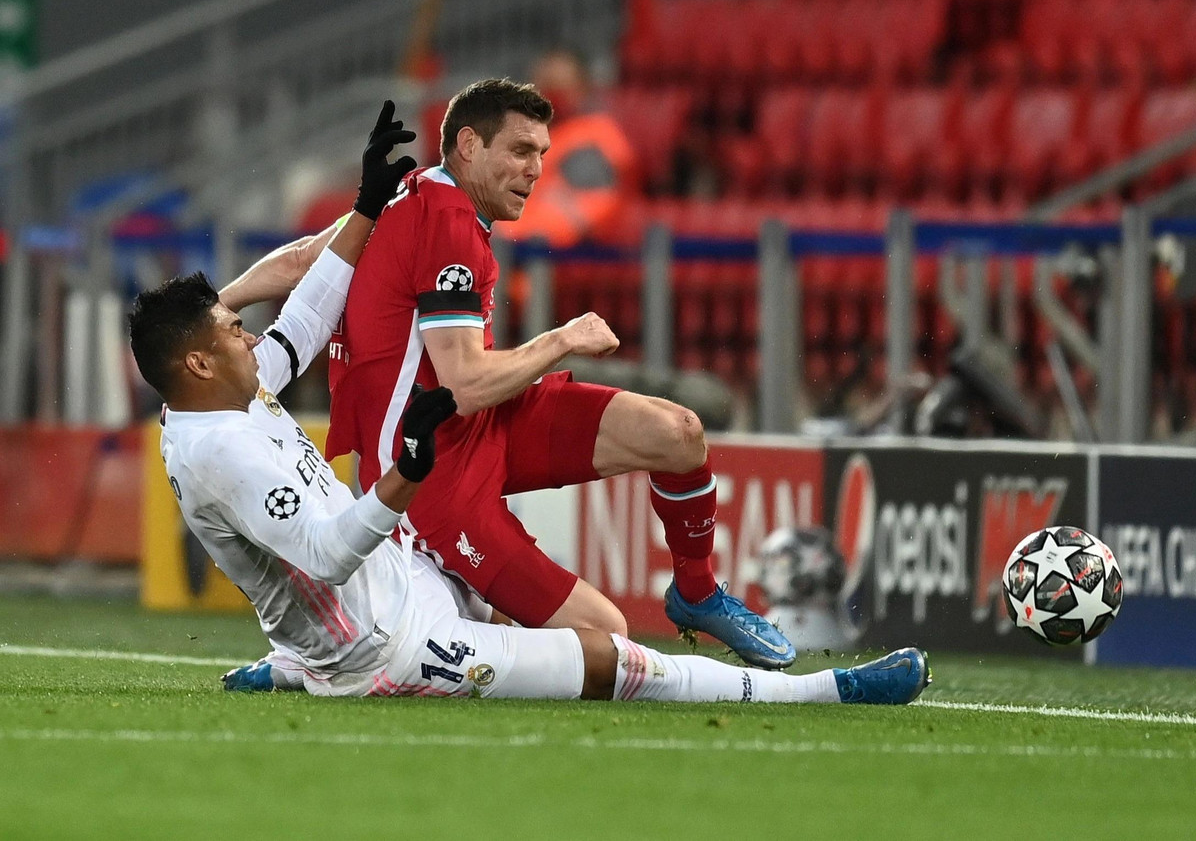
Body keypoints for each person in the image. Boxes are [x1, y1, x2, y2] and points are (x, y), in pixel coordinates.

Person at [130, 103, 931, 705]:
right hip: (384, 645)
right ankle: (820, 692)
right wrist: (407, 473)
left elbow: (303, 319)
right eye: (233, 333)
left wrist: (366, 206)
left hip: (400, 574)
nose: (251, 336)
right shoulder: (221, 451)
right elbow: (328, 553)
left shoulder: (230, 393)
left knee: (659, 456)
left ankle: (295, 661)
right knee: (609, 657)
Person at [325, 79, 796, 669]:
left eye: (542, 153)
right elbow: (463, 386)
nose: (536, 170)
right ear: (468, 145)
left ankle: (696, 594)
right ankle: (373, 636)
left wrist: (229, 302)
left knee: (678, 434)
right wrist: (563, 339)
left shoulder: (417, 194)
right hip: (431, 481)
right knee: (607, 636)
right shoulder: (445, 223)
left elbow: (308, 258)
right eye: (521, 151)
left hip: (486, 426)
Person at [501, 49, 638, 247]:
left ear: (583, 88)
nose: (550, 98)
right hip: (520, 250)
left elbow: (586, 214)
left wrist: (503, 231)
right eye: (543, 88)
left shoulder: (594, 139)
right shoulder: (531, 136)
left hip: (574, 255)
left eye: (559, 89)